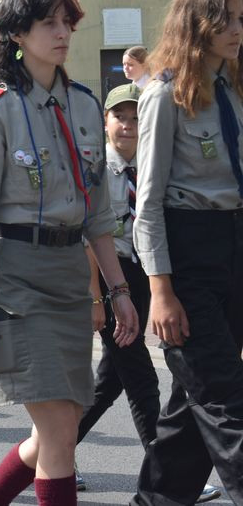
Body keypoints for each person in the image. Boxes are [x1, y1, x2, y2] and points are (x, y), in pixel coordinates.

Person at [0, 0, 138, 506]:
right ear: (16, 33)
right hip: (15, 277)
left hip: (69, 277)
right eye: (47, 23)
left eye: (67, 23)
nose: (62, 33)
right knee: (59, 427)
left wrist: (118, 290)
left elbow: (97, 214)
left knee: (63, 420)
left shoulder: (84, 105)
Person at [75, 82, 222, 502]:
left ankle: (47, 451)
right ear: (105, 122)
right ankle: (165, 475)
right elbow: (87, 236)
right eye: (119, 117)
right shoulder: (97, 169)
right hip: (107, 275)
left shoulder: (155, 164)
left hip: (142, 274)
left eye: (136, 117)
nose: (128, 125)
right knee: (141, 378)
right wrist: (93, 296)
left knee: (109, 382)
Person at [130, 0, 243, 505]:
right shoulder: (163, 92)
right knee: (226, 400)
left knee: (192, 407)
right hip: (187, 250)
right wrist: (160, 290)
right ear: (198, 22)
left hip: (235, 244)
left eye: (242, 18)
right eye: (229, 19)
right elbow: (146, 203)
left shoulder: (235, 87)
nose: (239, 29)